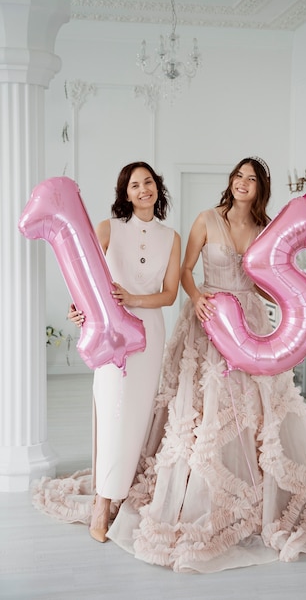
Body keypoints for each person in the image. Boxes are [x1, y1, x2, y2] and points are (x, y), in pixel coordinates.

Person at [106, 156, 306, 572]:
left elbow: (271, 279)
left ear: (260, 188)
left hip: (251, 323)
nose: (243, 182)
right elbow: (185, 271)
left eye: (251, 178)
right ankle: (195, 489)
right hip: (209, 317)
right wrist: (199, 298)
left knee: (255, 409)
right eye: (238, 176)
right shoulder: (207, 219)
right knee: (202, 409)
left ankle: (259, 491)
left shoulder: (267, 229)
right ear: (231, 181)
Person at [32, 161, 181, 543]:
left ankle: (118, 495)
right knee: (112, 408)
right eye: (135, 185)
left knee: (135, 416)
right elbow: (82, 272)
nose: (143, 189)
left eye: (148, 182)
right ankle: (102, 501)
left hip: (150, 333)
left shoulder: (171, 237)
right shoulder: (109, 228)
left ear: (157, 189)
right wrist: (77, 308)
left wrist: (134, 298)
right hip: (112, 333)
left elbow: (169, 294)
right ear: (125, 193)